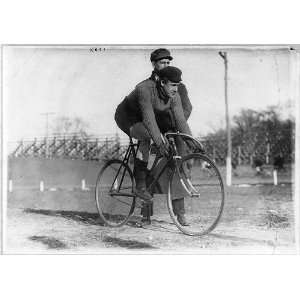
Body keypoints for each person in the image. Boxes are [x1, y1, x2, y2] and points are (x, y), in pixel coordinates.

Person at [115, 66, 191, 226]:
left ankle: (180, 213)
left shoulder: (174, 95)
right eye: (173, 85)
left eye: (178, 85)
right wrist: (159, 141)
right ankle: (140, 187)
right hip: (128, 117)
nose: (176, 89)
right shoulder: (145, 89)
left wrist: (192, 141)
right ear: (162, 82)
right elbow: (149, 119)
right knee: (148, 137)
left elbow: (181, 120)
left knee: (168, 158)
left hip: (150, 121)